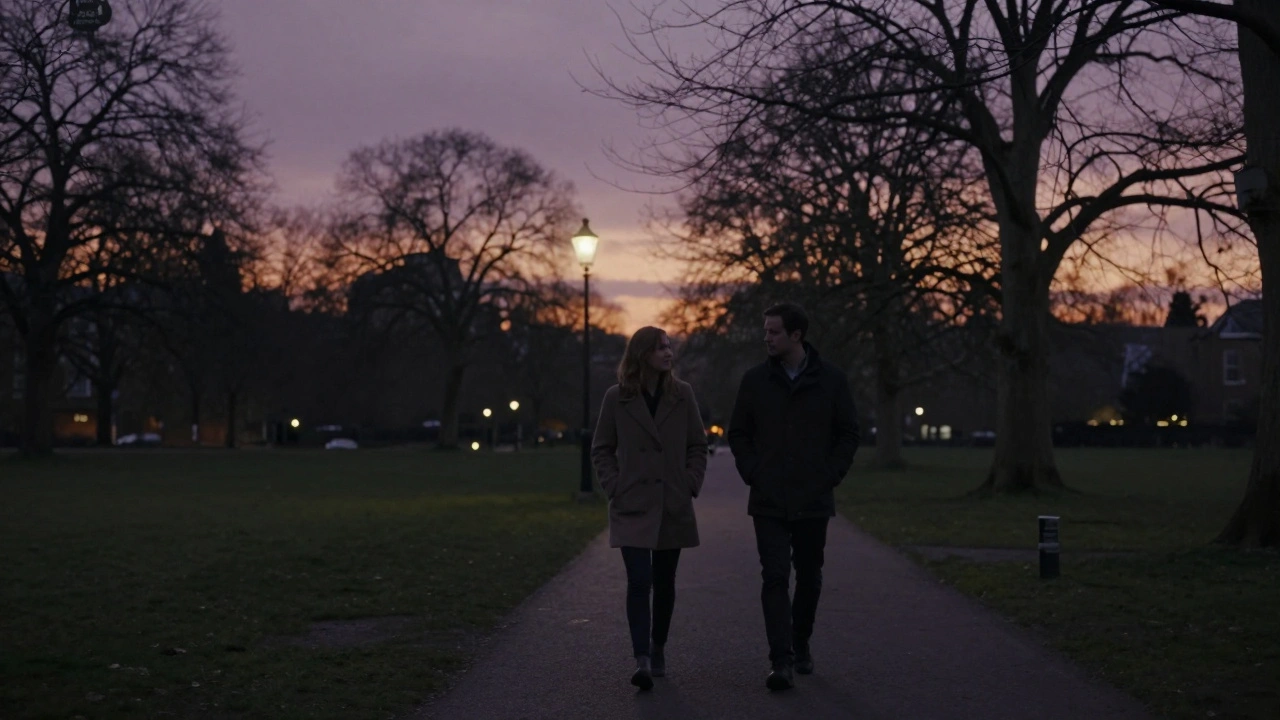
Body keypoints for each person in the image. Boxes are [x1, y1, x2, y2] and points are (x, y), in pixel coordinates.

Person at [728, 302, 859, 691]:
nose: (766, 338)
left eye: (773, 332)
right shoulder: (754, 381)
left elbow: (848, 433)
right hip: (768, 497)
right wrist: (753, 472)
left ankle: (801, 644)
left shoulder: (832, 380)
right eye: (765, 331)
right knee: (774, 577)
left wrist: (830, 475)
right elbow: (738, 433)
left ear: (796, 335)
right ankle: (780, 660)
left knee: (810, 577)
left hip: (812, 497)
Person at [592, 326, 709, 690]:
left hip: (671, 500)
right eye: (661, 348)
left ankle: (658, 647)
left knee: (665, 582)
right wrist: (615, 487)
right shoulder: (617, 398)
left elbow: (697, 444)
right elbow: (601, 448)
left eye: (670, 347)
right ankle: (641, 656)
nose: (668, 353)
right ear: (643, 353)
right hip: (633, 502)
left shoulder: (682, 394)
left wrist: (689, 483)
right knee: (639, 580)